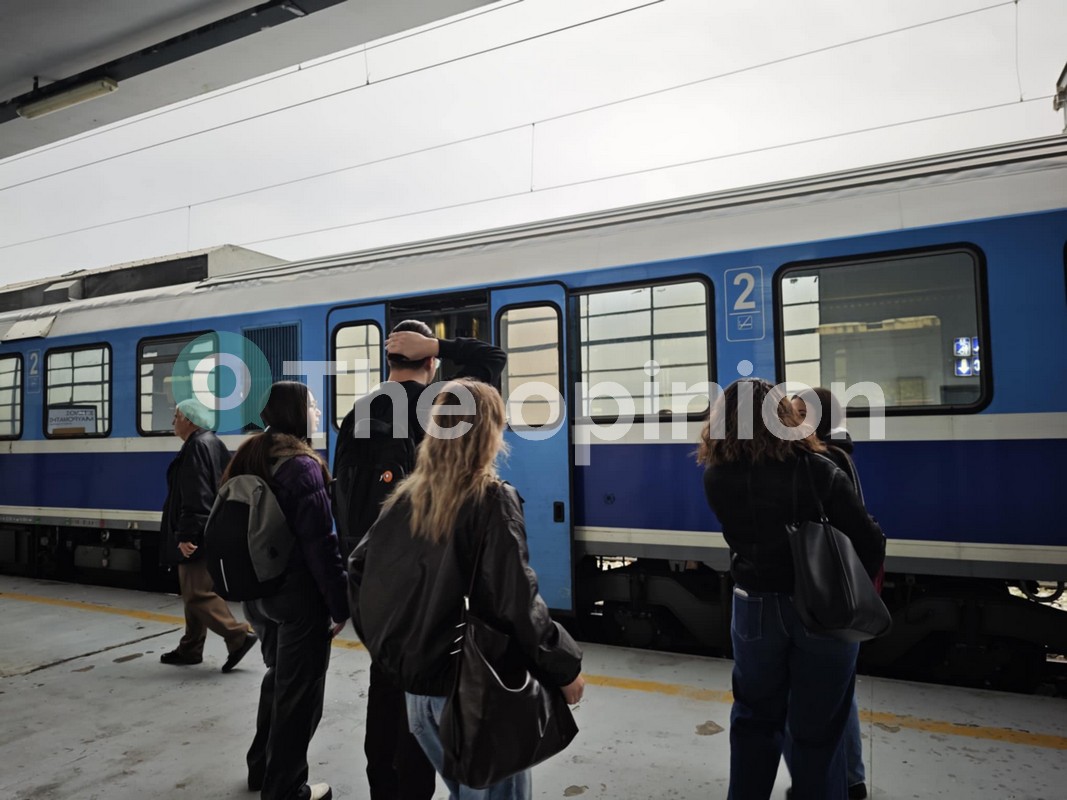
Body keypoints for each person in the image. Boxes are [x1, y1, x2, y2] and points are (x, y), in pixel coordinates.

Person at [349, 379, 585, 800]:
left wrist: (391, 650)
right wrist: (564, 667)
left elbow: (358, 569)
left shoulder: (405, 498)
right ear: (490, 433)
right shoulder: (491, 499)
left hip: (418, 697)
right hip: (472, 697)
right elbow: (518, 599)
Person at [334, 320, 506, 800]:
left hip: (377, 579)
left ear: (388, 361)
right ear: (431, 362)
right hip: (431, 579)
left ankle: (383, 789)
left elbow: (342, 497)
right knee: (424, 690)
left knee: (383, 688)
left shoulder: (357, 414)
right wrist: (441, 343)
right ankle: (414, 788)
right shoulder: (439, 406)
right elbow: (493, 359)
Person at [698, 379, 885, 800]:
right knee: (818, 728)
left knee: (753, 719)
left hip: (754, 607)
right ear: (783, 417)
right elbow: (870, 542)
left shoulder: (716, 476)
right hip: (821, 610)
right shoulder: (818, 469)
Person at [227, 382, 348, 800]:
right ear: (296, 412)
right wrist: (340, 605)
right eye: (312, 405)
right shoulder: (302, 466)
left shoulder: (250, 454)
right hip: (298, 600)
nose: (318, 412)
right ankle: (286, 788)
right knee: (301, 695)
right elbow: (321, 546)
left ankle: (261, 768)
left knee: (279, 678)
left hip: (259, 596)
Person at [785, 386, 872, 800]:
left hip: (824, 591)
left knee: (815, 698)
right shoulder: (841, 454)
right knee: (840, 696)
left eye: (800, 412)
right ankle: (851, 779)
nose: (791, 420)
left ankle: (834, 782)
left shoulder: (823, 460)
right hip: (838, 586)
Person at [159, 398, 258, 672]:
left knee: (197, 593)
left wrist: (187, 535)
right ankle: (190, 648)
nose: (173, 421)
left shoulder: (196, 447)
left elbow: (197, 496)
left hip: (199, 532)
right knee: (193, 589)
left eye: (177, 416)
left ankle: (238, 635)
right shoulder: (212, 443)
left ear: (190, 420)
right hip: (211, 527)